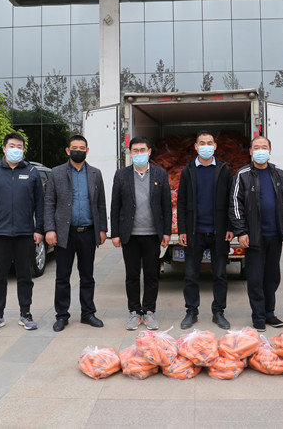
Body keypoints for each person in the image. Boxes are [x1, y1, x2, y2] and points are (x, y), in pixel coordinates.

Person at [0, 133, 44, 333]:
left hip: (25, 234)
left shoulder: (31, 172)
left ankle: (26, 313)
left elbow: (40, 204)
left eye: (19, 146)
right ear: (4, 149)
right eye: (12, 146)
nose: (16, 149)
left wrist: (39, 229)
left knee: (25, 276)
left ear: (23, 150)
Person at [44, 135, 108, 332]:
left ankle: (88, 313)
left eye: (82, 148)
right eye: (74, 147)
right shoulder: (56, 173)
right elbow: (49, 203)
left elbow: (101, 203)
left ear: (87, 151)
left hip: (88, 232)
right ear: (67, 150)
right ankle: (62, 315)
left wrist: (102, 229)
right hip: (65, 233)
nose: (78, 151)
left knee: (87, 276)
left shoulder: (95, 173)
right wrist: (50, 229)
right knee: (62, 277)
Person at [229, 135, 283, 332]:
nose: (260, 150)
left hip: (275, 235)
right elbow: (235, 205)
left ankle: (269, 313)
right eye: (256, 147)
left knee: (272, 277)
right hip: (254, 236)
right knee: (255, 278)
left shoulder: (278, 173)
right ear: (250, 152)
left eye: (264, 147)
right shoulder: (243, 174)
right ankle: (258, 316)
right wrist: (241, 231)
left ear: (270, 151)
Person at [111, 136, 171, 331]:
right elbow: (115, 205)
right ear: (130, 153)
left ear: (149, 152)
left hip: (152, 234)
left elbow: (166, 205)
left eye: (142, 150)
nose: (139, 154)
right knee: (132, 275)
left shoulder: (160, 174)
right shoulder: (122, 175)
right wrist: (115, 233)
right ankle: (134, 312)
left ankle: (149, 311)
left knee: (152, 275)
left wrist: (167, 231)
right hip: (130, 235)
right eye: (135, 151)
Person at [177, 131, 234, 330]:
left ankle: (218, 312)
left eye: (209, 143)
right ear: (196, 146)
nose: (206, 146)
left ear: (215, 146)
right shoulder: (188, 170)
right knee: (191, 275)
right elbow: (181, 201)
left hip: (219, 232)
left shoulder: (223, 170)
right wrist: (182, 230)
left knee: (220, 275)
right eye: (202, 143)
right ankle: (191, 311)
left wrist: (230, 227)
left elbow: (231, 201)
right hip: (194, 232)